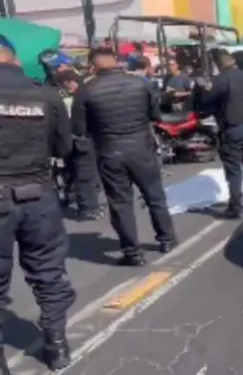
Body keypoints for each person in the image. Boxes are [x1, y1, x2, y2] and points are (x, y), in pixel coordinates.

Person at [0, 35, 76, 371]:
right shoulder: (46, 95)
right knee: (49, 274)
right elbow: (63, 148)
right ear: (13, 58)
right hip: (39, 193)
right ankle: (57, 345)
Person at [71, 48, 178, 266]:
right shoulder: (141, 84)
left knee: (120, 203)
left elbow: (80, 129)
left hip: (109, 152)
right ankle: (167, 239)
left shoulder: (86, 90)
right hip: (142, 148)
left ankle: (133, 252)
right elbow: (155, 115)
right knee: (155, 196)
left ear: (94, 65)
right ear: (116, 61)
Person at [201, 51, 243, 219]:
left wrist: (203, 90)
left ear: (218, 65)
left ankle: (235, 207)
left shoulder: (221, 80)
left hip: (232, 128)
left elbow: (206, 101)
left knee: (234, 170)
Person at [54, 69, 104, 220]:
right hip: (80, 140)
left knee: (81, 174)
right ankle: (87, 208)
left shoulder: (75, 96)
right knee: (85, 175)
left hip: (75, 139)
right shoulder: (80, 95)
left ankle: (87, 205)